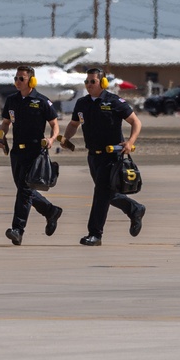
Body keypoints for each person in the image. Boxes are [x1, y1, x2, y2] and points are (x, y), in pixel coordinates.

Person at [60, 67, 146, 246]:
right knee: (108, 194)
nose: (89, 85)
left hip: (112, 155)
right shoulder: (82, 103)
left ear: (103, 83)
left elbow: (135, 122)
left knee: (101, 193)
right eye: (87, 82)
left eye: (93, 81)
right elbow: (74, 123)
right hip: (93, 156)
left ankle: (95, 234)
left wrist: (130, 142)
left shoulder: (114, 101)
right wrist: (66, 138)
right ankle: (135, 209)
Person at [0, 66, 63, 245]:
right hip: (17, 151)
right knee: (23, 188)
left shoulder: (42, 101)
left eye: (21, 79)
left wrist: (51, 139)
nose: (17, 82)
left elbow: (55, 125)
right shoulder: (11, 100)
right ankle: (50, 211)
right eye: (16, 78)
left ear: (31, 81)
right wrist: (1, 136)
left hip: (35, 152)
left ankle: (17, 229)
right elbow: (5, 123)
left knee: (25, 191)